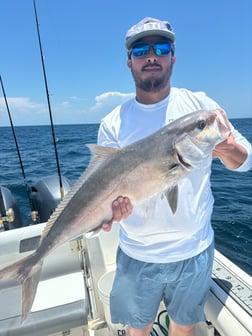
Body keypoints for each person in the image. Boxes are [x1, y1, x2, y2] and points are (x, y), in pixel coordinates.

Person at [97, 17, 252, 336]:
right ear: (129, 62)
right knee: (136, 329)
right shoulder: (113, 123)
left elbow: (246, 159)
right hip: (136, 254)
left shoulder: (202, 107)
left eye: (161, 47)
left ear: (173, 57)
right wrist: (112, 214)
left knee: (183, 328)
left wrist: (228, 151)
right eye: (141, 49)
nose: (151, 55)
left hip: (194, 251)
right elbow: (104, 190)